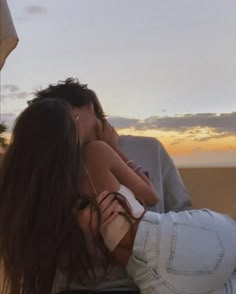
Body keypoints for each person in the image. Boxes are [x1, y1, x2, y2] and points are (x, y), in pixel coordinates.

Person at [28, 78, 192, 294]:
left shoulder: (148, 148)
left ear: (88, 107)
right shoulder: (51, 164)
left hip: (149, 283)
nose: (64, 129)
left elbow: (181, 212)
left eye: (69, 118)